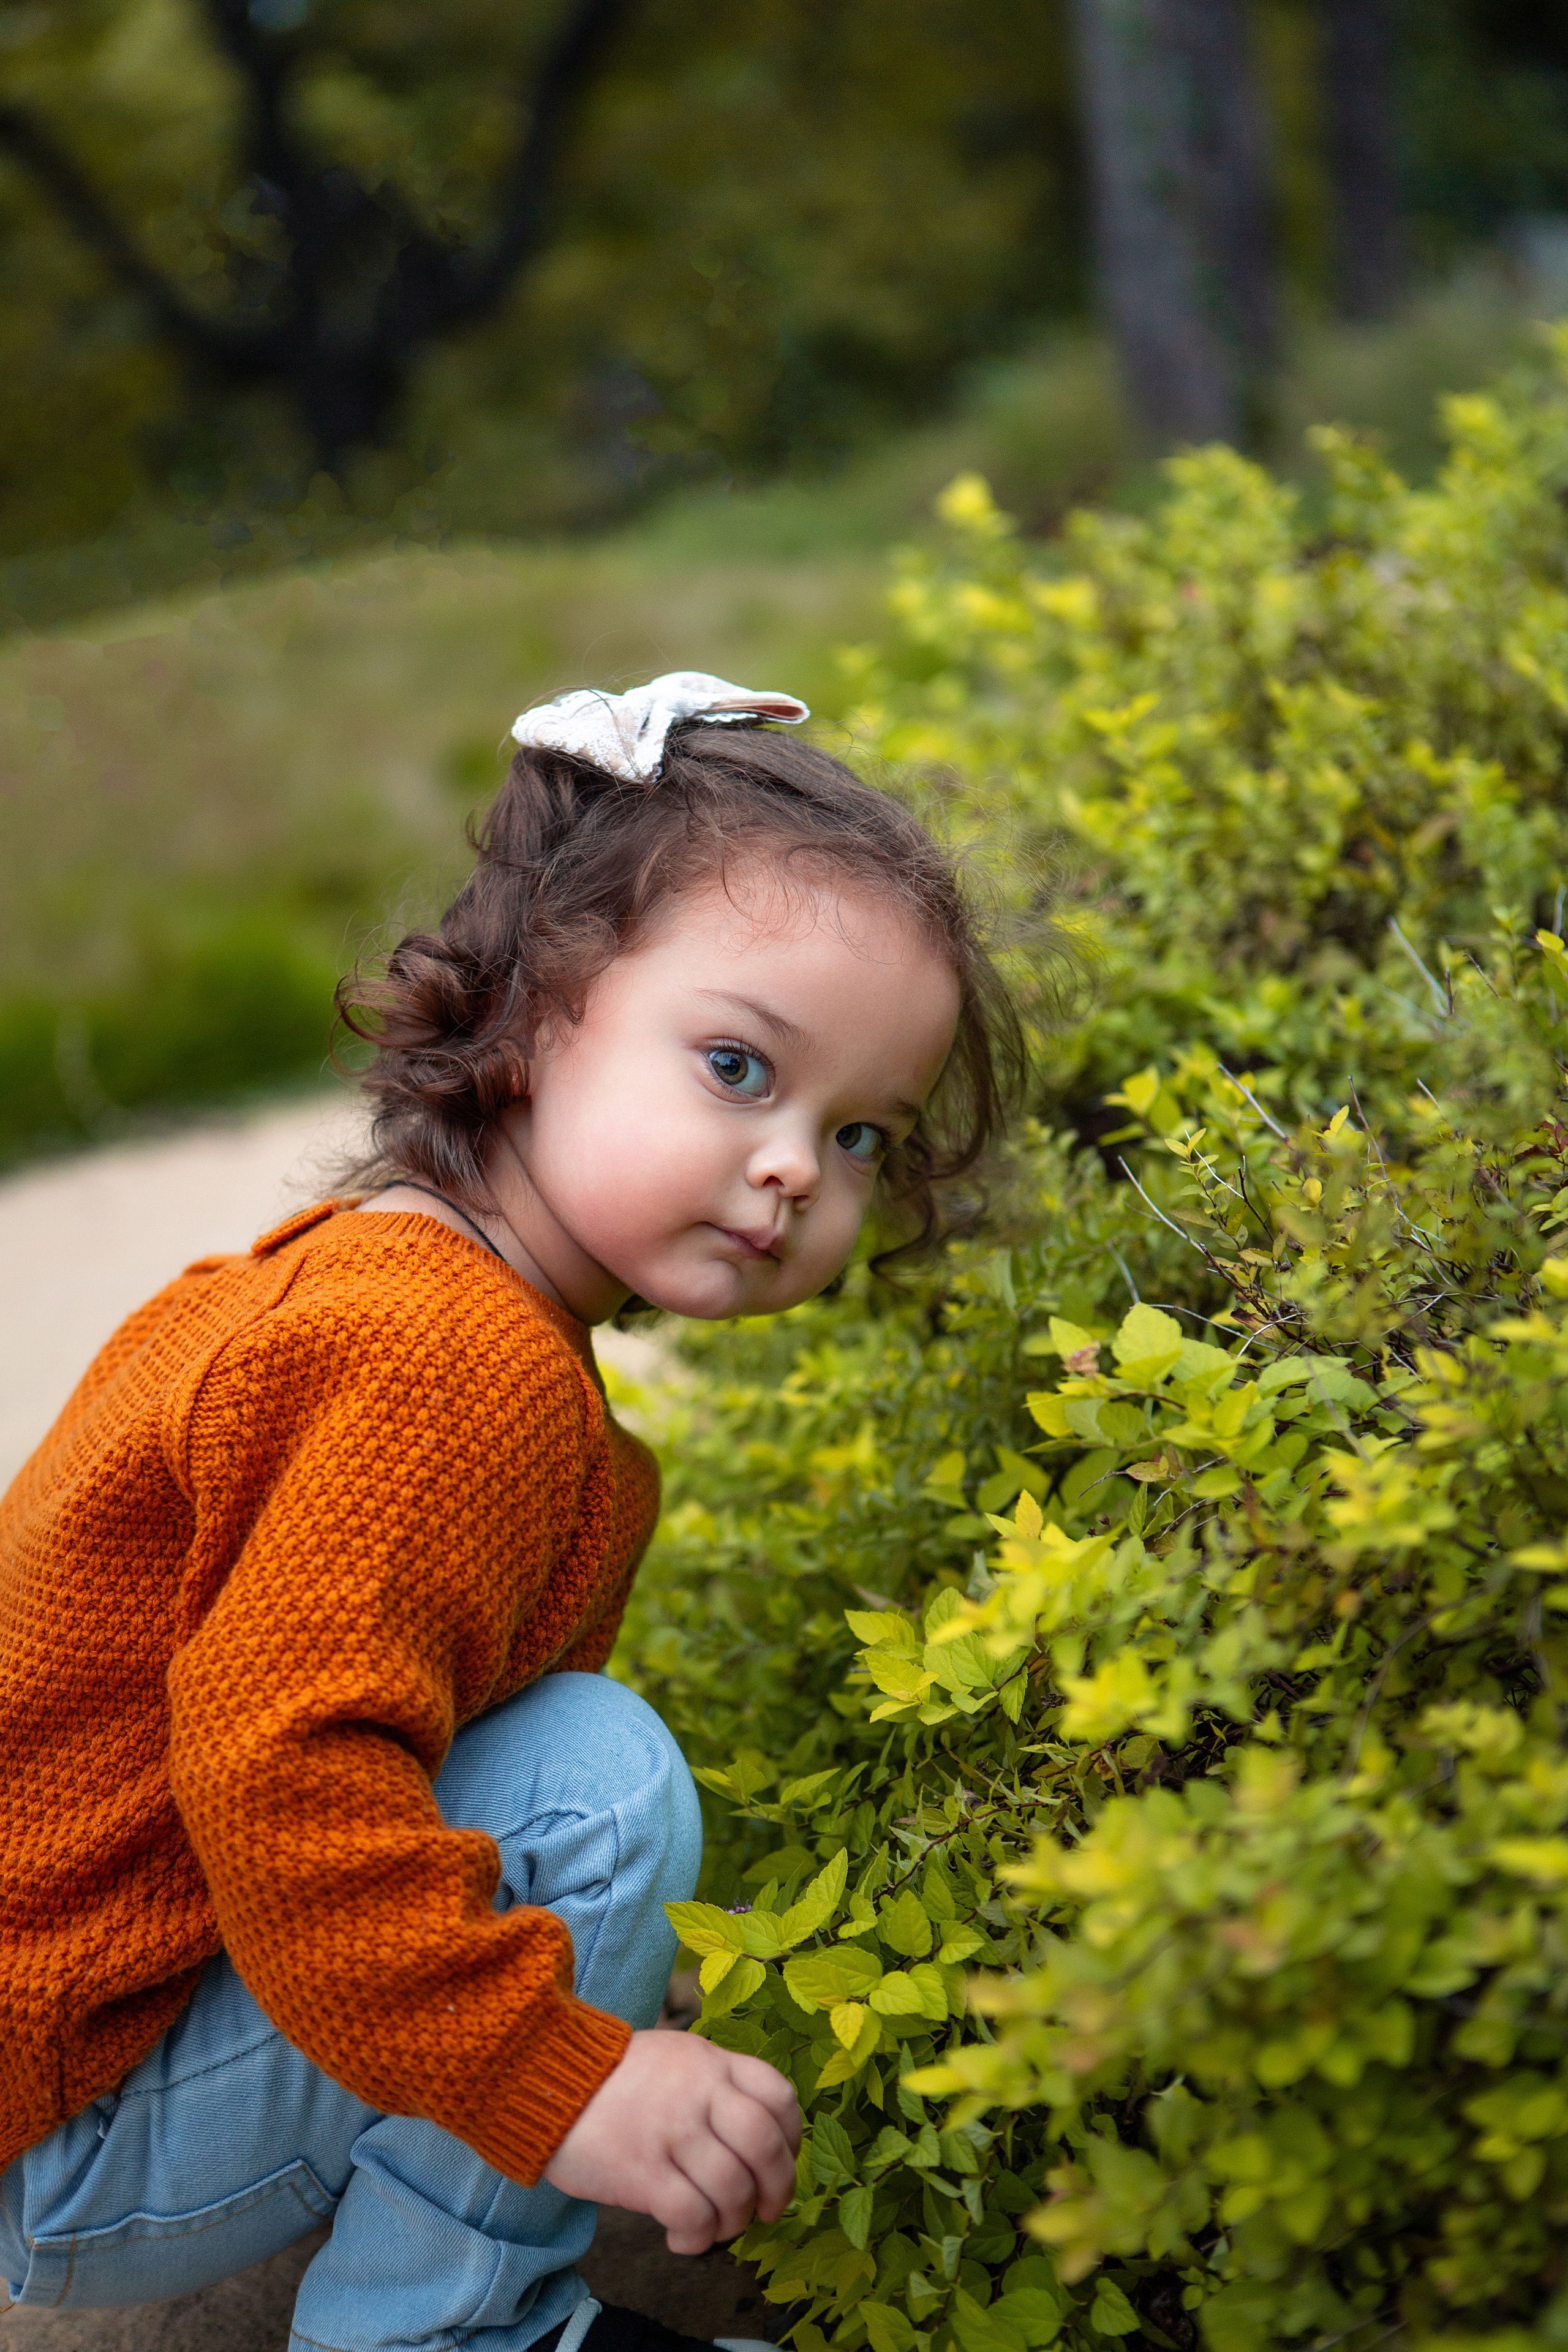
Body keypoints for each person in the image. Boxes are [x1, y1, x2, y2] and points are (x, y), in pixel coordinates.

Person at [0, 673, 1023, 2352]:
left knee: (555, 1771)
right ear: (543, 1010)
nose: (795, 1170)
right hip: (81, 2115)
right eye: (735, 1064)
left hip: (89, 2051)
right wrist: (562, 2074)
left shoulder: (433, 1293)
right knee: (592, 1785)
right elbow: (281, 1770)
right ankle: (454, 2332)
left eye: (857, 1135)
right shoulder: (436, 1358)